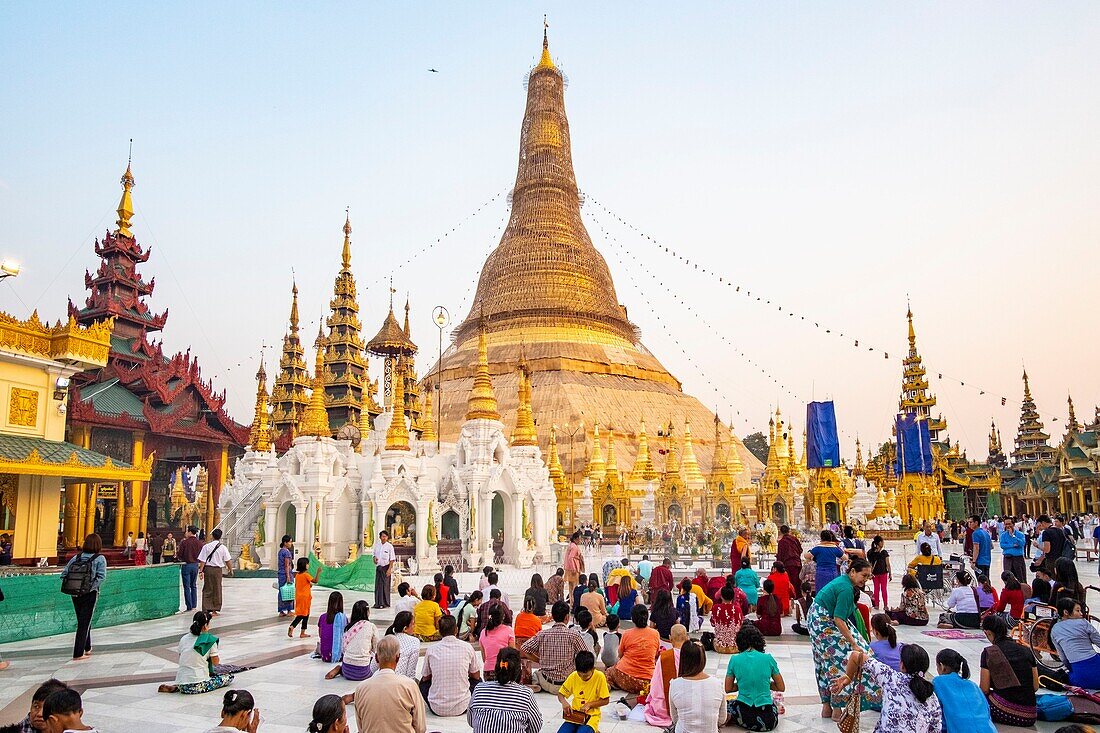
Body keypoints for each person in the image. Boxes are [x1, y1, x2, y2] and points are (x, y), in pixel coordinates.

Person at [807, 558, 882, 721]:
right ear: (852, 572)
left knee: (824, 662)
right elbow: (839, 619)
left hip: (816, 620)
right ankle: (837, 708)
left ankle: (827, 707)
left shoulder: (844, 583)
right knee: (842, 660)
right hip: (823, 623)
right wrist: (854, 643)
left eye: (868, 576)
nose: (865, 579)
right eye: (864, 575)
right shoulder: (846, 588)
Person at [832, 644, 941, 733]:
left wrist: (848, 677)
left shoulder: (890, 678)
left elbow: (856, 656)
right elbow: (936, 727)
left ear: (902, 665)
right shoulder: (931, 696)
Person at [352, 635, 426, 733]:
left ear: (376, 658)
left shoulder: (361, 688)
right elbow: (420, 728)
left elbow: (361, 728)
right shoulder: (409, 686)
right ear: (398, 658)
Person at [980, 613, 1038, 726]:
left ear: (988, 633)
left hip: (1005, 712)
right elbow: (1035, 686)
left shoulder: (989, 653)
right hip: (1030, 715)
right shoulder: (1026, 650)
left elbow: (984, 689)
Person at [725, 622, 785, 731]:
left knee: (727, 704)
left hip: (743, 715)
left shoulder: (734, 659)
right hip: (768, 720)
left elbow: (728, 688)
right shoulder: (768, 658)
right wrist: (763, 683)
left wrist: (744, 684)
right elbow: (781, 687)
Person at [158, 611, 235, 694]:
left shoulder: (184, 638)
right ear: (205, 625)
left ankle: (176, 687)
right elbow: (216, 663)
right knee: (229, 677)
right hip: (199, 684)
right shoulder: (210, 640)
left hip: (182, 683)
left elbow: (181, 657)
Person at [468, 647, 542, 733]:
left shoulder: (479, 689)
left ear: (496, 667)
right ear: (518, 671)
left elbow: (471, 720)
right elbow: (535, 727)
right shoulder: (526, 694)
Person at [521, 600, 588, 694]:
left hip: (546, 682)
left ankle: (537, 684)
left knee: (536, 674)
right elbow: (585, 655)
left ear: (552, 616)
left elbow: (524, 648)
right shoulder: (574, 635)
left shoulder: (542, 634)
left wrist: (539, 660)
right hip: (567, 684)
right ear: (567, 617)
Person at [421, 615, 481, 717]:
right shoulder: (467, 647)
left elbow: (426, 677)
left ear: (439, 631)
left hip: (437, 707)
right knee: (478, 682)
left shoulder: (431, 650)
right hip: (462, 705)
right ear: (456, 630)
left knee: (422, 683)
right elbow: (476, 676)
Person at [60, 533, 107, 661]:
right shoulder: (99, 558)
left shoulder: (76, 557)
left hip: (74, 593)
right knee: (84, 623)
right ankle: (78, 652)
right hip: (89, 594)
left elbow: (64, 574)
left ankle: (87, 647)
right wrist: (89, 588)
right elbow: (101, 577)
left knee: (84, 620)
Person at [667, 639, 727, 732]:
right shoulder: (717, 684)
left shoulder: (675, 684)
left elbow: (675, 719)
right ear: (703, 659)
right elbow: (722, 719)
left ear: (683, 659)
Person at [933, 648, 996, 733]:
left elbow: (938, 718)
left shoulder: (938, 682)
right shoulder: (973, 685)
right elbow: (987, 712)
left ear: (942, 666)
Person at [606, 605, 659, 694]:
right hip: (646, 682)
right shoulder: (655, 634)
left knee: (608, 672)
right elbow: (655, 654)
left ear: (632, 618)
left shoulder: (627, 633)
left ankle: (608, 685)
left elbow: (620, 655)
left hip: (624, 677)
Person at [1050, 598, 1100, 689]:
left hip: (1079, 680)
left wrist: (1074, 670)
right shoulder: (1083, 623)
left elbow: (1064, 658)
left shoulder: (1054, 630)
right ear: (1066, 612)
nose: (1081, 613)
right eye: (1078, 610)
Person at [556, 650, 610, 733]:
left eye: (586, 676)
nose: (582, 678)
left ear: (593, 669)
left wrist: (589, 705)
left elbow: (606, 700)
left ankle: (594, 730)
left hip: (591, 716)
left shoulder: (599, 677)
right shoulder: (573, 676)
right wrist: (564, 703)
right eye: (580, 675)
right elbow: (560, 694)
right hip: (575, 716)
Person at [326, 600, 375, 681]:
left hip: (346, 670)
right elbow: (376, 648)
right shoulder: (371, 626)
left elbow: (343, 649)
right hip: (363, 673)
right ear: (367, 612)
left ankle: (341, 669)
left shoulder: (348, 627)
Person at [198, 528, 233, 614]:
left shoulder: (206, 546)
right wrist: (230, 570)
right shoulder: (223, 548)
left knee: (207, 588)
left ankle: (206, 608)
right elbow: (228, 560)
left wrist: (200, 571)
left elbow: (202, 560)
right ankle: (215, 609)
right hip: (217, 570)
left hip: (208, 569)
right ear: (220, 537)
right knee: (217, 588)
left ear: (212, 536)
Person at [376, 611, 420, 679]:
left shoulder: (385, 640)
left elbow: (372, 667)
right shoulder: (414, 642)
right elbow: (410, 674)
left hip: (378, 679)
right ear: (405, 628)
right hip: (400, 682)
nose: (414, 626)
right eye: (413, 624)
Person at [480, 604, 516, 679]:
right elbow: (512, 655)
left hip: (487, 672)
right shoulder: (509, 630)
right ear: (503, 617)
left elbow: (484, 658)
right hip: (504, 671)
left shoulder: (483, 632)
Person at [289, 557, 317, 638]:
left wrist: (308, 585)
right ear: (304, 565)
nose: (308, 565)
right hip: (305, 597)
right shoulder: (306, 575)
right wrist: (318, 572)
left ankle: (302, 632)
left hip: (299, 597)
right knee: (304, 614)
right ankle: (293, 626)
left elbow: (298, 585)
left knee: (304, 613)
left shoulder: (297, 575)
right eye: (307, 564)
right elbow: (315, 580)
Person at [711, 585, 744, 653]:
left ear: (721, 596)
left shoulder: (716, 608)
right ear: (732, 597)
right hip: (735, 646)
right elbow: (741, 625)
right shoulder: (738, 609)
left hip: (719, 646)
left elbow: (713, 624)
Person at [776, 524, 804, 603]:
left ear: (780, 532)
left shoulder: (782, 542)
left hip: (788, 564)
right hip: (797, 563)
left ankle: (792, 598)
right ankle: (798, 597)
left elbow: (780, 555)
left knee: (790, 582)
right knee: (797, 582)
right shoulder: (794, 539)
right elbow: (800, 550)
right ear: (789, 531)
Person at [318, 592, 348, 663]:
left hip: (324, 655)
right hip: (339, 656)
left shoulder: (322, 617)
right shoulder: (343, 618)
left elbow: (320, 634)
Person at [178, 526, 203, 612]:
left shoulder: (184, 542)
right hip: (195, 565)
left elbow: (180, 554)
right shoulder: (199, 543)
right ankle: (194, 605)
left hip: (186, 565)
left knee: (187, 586)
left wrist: (180, 558)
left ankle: (189, 606)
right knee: (193, 585)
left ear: (189, 532)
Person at [370, 531, 395, 609]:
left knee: (385, 586)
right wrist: (374, 559)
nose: (384, 538)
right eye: (382, 536)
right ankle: (378, 602)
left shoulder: (390, 546)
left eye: (385, 536)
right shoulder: (377, 546)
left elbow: (392, 559)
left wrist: (389, 569)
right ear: (380, 537)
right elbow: (374, 555)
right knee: (378, 586)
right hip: (379, 568)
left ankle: (385, 603)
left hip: (386, 568)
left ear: (387, 537)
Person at [1000, 517, 1027, 584]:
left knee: (1021, 578)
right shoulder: (1003, 535)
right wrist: (1013, 545)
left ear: (1013, 524)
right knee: (1007, 578)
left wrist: (1013, 537)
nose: (1008, 526)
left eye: (1009, 524)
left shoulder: (1020, 534)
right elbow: (1002, 545)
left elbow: (1022, 544)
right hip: (1007, 558)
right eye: (1006, 524)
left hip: (1018, 558)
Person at [867, 535, 892, 609]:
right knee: (884, 589)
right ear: (880, 542)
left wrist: (869, 573)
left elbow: (870, 564)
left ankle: (877, 605)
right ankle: (885, 605)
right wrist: (890, 574)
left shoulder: (871, 552)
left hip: (875, 574)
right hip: (883, 573)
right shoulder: (884, 553)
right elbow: (888, 564)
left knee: (876, 589)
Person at [276, 535, 294, 616]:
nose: (291, 543)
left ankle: (281, 610)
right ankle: (289, 610)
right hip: (286, 574)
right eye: (290, 542)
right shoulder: (287, 552)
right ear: (285, 543)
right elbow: (287, 565)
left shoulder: (280, 551)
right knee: (289, 591)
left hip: (280, 574)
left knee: (282, 591)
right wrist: (288, 577)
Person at [564, 532, 585, 598]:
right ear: (576, 539)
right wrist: (573, 568)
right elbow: (570, 558)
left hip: (568, 568)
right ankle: (574, 601)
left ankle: (571, 602)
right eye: (579, 539)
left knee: (571, 587)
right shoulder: (574, 547)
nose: (580, 540)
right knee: (575, 587)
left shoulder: (571, 545)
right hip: (574, 569)